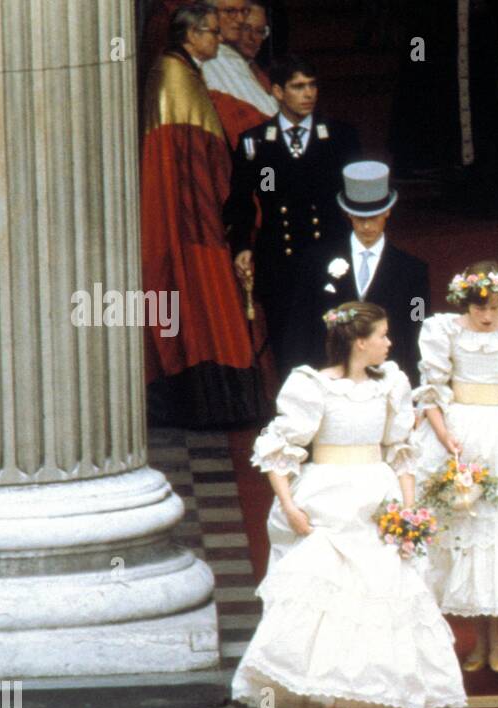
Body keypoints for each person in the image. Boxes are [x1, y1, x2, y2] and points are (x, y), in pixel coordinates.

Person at [231, 302, 466, 708]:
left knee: (380, 601)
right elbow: (277, 451)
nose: (389, 342)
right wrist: (290, 505)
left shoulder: (392, 384)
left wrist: (410, 509)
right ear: (360, 342)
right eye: (382, 335)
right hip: (328, 501)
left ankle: (373, 689)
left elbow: (401, 450)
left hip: (377, 502)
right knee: (330, 606)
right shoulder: (313, 386)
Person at [411, 262, 498, 673]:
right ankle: (477, 639)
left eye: (493, 307)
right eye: (478, 309)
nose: (487, 316)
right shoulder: (443, 331)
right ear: (465, 304)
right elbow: (433, 393)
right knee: (465, 526)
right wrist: (444, 438)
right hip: (459, 434)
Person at [142, 1, 265, 429]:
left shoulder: (185, 70)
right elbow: (188, 155)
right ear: (190, 35)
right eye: (211, 31)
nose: (218, 37)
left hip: (197, 210)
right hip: (188, 216)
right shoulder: (174, 74)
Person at [224, 56, 361, 380]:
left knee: (332, 338)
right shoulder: (254, 141)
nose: (308, 94)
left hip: (331, 253)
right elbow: (240, 202)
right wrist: (242, 245)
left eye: (312, 85)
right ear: (277, 91)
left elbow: (356, 199)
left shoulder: (340, 136)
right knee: (288, 343)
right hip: (280, 259)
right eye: (298, 86)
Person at [286, 162, 430, 386]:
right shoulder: (316, 260)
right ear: (347, 214)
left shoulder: (412, 270)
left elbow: (417, 328)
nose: (366, 226)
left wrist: (412, 386)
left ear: (388, 211)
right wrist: (304, 379)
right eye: (359, 217)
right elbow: (300, 325)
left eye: (374, 217)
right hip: (329, 377)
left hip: (387, 378)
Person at [202, 0, 278, 147]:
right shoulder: (216, 59)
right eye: (246, 29)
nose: (253, 38)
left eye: (260, 31)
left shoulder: (255, 70)